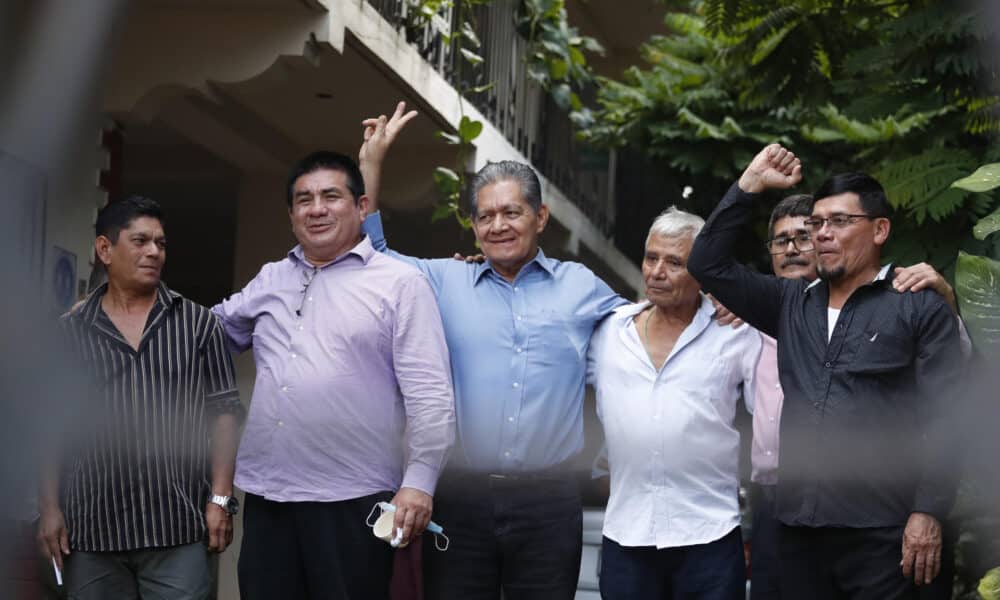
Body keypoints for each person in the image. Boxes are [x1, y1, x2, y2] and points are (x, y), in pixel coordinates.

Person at [359, 103, 627, 599]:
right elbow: (372, 261)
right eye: (485, 216)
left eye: (511, 212)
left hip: (550, 500)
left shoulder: (581, 286)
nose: (498, 225)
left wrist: (718, 306)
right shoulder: (445, 279)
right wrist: (371, 167)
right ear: (474, 226)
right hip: (461, 494)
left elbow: (647, 329)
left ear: (540, 217)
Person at [688, 144, 963, 599]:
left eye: (839, 222)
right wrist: (750, 184)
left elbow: (950, 419)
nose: (823, 235)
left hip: (887, 534)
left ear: (879, 230)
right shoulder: (789, 303)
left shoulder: (916, 306)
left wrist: (929, 512)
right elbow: (707, 264)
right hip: (801, 532)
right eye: (817, 224)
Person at [211, 150, 455, 600]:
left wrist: (419, 483)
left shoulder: (401, 284)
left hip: (353, 499)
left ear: (362, 207)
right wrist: (115, 312)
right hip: (270, 496)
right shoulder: (271, 278)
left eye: (330, 196)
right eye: (304, 200)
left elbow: (430, 396)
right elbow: (205, 337)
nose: (316, 209)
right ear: (291, 215)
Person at [40, 196, 244, 599]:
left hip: (177, 527)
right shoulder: (69, 333)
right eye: (140, 241)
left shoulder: (198, 325)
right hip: (91, 530)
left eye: (161, 243)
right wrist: (49, 508)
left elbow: (223, 414)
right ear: (104, 249)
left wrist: (220, 499)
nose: (154, 251)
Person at [587, 207, 761, 599]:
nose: (656, 272)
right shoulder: (608, 331)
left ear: (701, 272)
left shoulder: (736, 332)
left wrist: (747, 301)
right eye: (651, 258)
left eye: (674, 262)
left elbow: (773, 405)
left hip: (709, 535)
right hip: (626, 535)